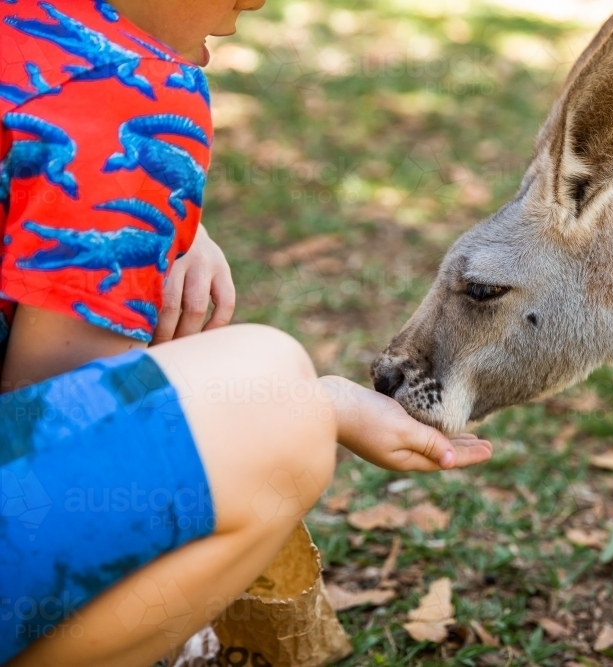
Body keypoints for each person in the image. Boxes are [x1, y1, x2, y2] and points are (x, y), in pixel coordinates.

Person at [0, 2, 493, 665]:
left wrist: (176, 224)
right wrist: (325, 407)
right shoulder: (129, 88)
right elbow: (57, 414)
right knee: (273, 387)